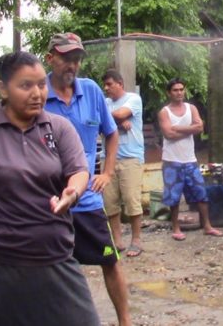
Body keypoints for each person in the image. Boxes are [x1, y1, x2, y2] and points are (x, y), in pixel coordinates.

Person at [0, 51, 99, 325]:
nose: (37, 93)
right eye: (26, 86)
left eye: (41, 84)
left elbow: (79, 171)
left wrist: (72, 192)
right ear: (3, 88)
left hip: (53, 256)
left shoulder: (59, 128)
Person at [43, 33, 131, 326]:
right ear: (50, 58)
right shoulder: (37, 92)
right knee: (52, 267)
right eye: (66, 58)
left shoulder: (92, 91)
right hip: (50, 199)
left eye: (77, 59)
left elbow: (112, 132)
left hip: (87, 199)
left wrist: (106, 172)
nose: (73, 64)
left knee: (110, 259)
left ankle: (125, 321)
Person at [159, 78, 222, 241]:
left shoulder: (191, 108)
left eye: (181, 89)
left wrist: (179, 128)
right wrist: (190, 129)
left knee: (200, 192)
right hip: (171, 160)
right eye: (175, 90)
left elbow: (200, 128)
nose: (179, 92)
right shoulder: (164, 112)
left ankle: (207, 225)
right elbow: (168, 134)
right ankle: (176, 228)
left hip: (190, 159)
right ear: (169, 92)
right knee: (174, 197)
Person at [102, 69, 145, 258]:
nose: (106, 88)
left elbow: (121, 113)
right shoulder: (105, 102)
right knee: (110, 202)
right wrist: (119, 120)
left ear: (120, 83)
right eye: (105, 85)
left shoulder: (133, 99)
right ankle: (117, 241)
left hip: (131, 158)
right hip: (109, 158)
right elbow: (99, 120)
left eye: (110, 84)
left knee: (132, 200)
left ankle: (136, 241)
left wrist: (118, 117)